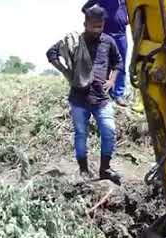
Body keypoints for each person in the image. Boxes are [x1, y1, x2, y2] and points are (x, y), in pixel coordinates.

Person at [46, 4, 123, 184]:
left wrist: (111, 81)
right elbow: (51, 53)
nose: (97, 30)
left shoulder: (108, 41)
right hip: (79, 98)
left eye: (101, 26)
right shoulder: (75, 41)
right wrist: (66, 71)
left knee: (109, 131)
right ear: (86, 23)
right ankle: (83, 169)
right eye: (94, 25)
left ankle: (105, 168)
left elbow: (118, 63)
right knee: (81, 134)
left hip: (101, 99)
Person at [82, 0, 129, 107]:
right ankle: (102, 93)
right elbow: (85, 8)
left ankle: (118, 95)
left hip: (121, 35)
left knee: (120, 64)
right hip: (105, 34)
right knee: (102, 65)